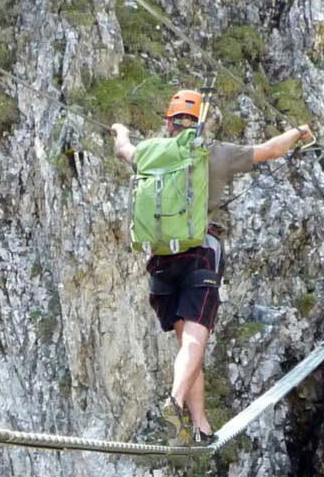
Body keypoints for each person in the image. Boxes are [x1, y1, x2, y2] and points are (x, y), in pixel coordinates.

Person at [112, 91, 313, 445]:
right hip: (200, 254)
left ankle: (199, 426)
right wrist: (299, 132)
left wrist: (121, 131)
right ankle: (175, 402)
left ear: (168, 122)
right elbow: (270, 150)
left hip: (160, 263)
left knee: (186, 344)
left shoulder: (151, 153)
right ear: (202, 122)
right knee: (195, 341)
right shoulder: (216, 153)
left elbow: (123, 150)